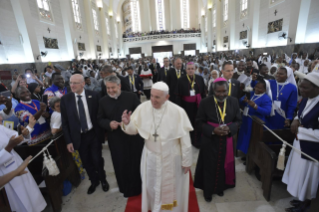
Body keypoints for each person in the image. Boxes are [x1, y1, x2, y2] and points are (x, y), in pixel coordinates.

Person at [121, 82, 193, 212]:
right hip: (150, 156)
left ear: (167, 97)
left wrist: (186, 161)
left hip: (172, 156)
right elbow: (133, 130)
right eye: (152, 96)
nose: (153, 100)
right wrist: (127, 123)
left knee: (172, 187)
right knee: (152, 186)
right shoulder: (143, 108)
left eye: (157, 97)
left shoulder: (178, 111)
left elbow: (185, 139)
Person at [194, 78, 242, 202]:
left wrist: (230, 128)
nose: (221, 94)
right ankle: (208, 191)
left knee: (223, 165)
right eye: (218, 92)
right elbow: (199, 122)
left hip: (227, 139)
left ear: (227, 90)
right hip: (210, 139)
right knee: (209, 165)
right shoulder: (205, 102)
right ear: (213, 90)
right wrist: (212, 130)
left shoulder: (234, 101)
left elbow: (238, 120)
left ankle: (220, 187)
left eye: (224, 91)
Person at [61, 74, 108, 195]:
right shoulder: (66, 100)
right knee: (86, 162)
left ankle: (103, 179)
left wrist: (104, 132)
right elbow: (65, 123)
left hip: (93, 134)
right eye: (71, 83)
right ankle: (94, 181)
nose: (72, 85)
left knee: (97, 160)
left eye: (75, 83)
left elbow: (100, 116)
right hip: (79, 137)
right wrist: (68, 141)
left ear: (83, 84)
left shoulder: (94, 96)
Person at [98, 75, 144, 197]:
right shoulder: (103, 101)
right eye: (108, 88)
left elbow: (141, 115)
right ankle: (124, 187)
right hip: (116, 138)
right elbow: (100, 119)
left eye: (113, 87)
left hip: (133, 137)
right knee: (120, 163)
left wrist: (129, 122)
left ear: (119, 86)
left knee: (136, 162)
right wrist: (109, 124)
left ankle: (140, 187)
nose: (110, 90)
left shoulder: (132, 97)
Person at [283, 72, 319, 212]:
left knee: (308, 178)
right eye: (300, 87)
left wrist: (302, 131)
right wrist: (296, 120)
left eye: (305, 88)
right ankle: (301, 199)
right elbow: (301, 113)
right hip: (300, 145)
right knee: (299, 174)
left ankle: (307, 205)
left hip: (312, 151)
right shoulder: (305, 98)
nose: (301, 91)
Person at [0, 115, 47, 212]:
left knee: (30, 196)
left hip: (17, 164)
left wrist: (27, 130)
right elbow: (10, 144)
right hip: (4, 175)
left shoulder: (1, 128)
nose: (1, 119)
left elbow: (16, 137)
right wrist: (9, 147)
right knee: (18, 203)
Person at [237, 79, 272, 155]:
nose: (257, 89)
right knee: (245, 138)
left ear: (265, 90)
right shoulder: (252, 93)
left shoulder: (266, 98)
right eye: (256, 87)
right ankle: (245, 154)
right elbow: (241, 101)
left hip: (256, 123)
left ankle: (251, 157)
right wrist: (243, 100)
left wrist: (255, 106)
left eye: (260, 88)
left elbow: (267, 112)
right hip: (246, 120)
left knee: (252, 140)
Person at [175, 62, 206, 148]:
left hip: (199, 105)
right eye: (189, 69)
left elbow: (203, 93)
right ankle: (189, 140)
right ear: (186, 70)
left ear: (195, 69)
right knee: (189, 123)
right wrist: (180, 108)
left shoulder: (200, 78)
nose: (190, 70)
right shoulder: (181, 80)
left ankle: (197, 141)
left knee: (198, 122)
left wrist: (204, 105)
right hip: (186, 106)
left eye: (192, 68)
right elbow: (177, 95)